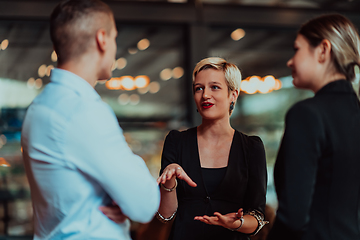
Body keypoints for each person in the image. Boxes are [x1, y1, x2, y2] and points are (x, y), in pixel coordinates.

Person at [21, 0, 160, 239]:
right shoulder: (82, 109)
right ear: (102, 39)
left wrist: (122, 199)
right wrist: (128, 194)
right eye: (115, 37)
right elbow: (145, 203)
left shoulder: (39, 107)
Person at [267, 14, 360, 240]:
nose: (290, 61)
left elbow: (294, 218)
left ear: (323, 50)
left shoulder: (307, 114)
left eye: (297, 49)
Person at [156, 57, 268, 240]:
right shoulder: (177, 141)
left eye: (214, 87)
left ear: (233, 95)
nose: (205, 95)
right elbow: (166, 216)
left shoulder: (251, 147)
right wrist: (169, 181)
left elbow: (257, 216)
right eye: (198, 88)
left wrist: (236, 224)